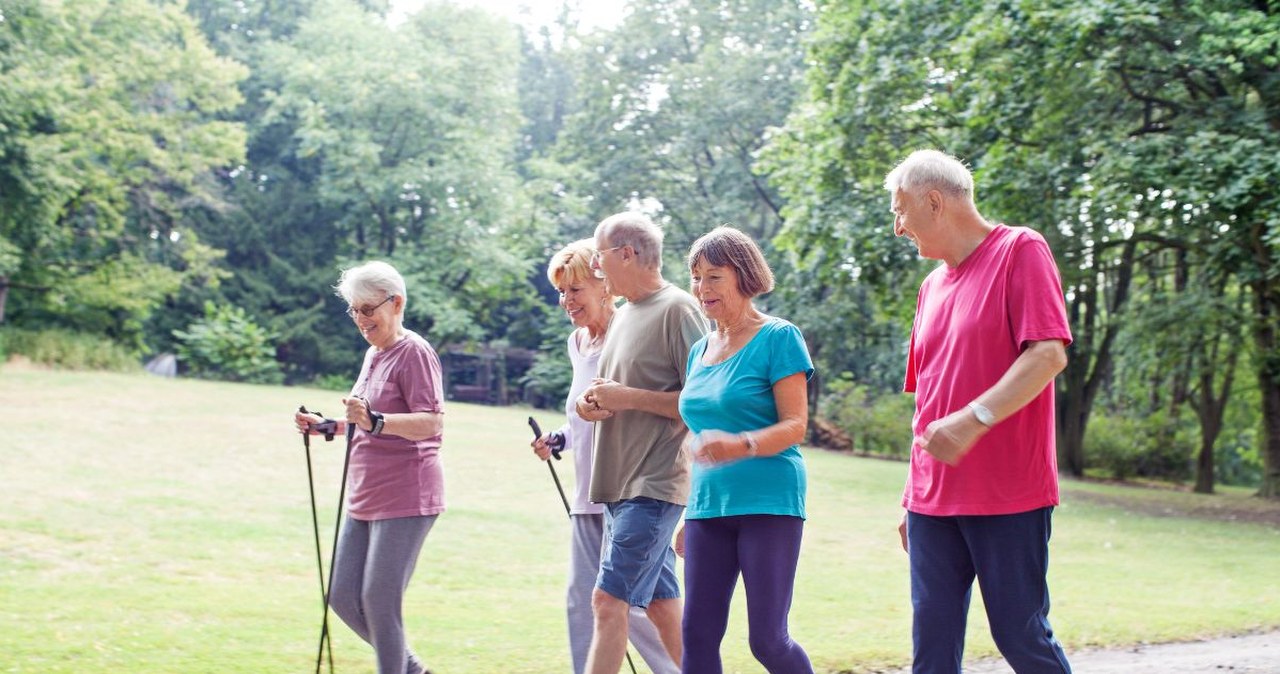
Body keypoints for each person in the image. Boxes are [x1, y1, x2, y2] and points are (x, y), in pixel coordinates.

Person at [886, 149, 1074, 673]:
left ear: (933, 201)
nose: (898, 228)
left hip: (1008, 496)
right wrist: (910, 496)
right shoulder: (931, 289)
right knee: (932, 651)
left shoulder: (1020, 250)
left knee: (1021, 638)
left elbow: (1048, 354)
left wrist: (975, 419)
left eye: (900, 212)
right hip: (932, 503)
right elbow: (929, 402)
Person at [531, 239, 680, 674]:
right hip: (588, 494)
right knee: (589, 602)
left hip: (635, 489)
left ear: (604, 284)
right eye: (560, 291)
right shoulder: (578, 343)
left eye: (574, 289)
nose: (566, 301)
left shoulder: (630, 332)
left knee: (629, 605)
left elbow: (646, 410)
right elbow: (585, 419)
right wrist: (558, 439)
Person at [676, 226, 816, 674]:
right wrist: (689, 515)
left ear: (744, 276)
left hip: (768, 502)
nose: (702, 289)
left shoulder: (779, 337)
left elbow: (796, 426)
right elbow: (700, 438)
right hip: (707, 508)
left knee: (768, 641)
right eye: (696, 278)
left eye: (713, 276)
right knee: (696, 636)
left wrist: (741, 444)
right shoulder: (700, 349)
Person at [293, 260, 445, 674]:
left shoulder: (414, 352)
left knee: (380, 602)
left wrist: (377, 422)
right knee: (342, 596)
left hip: (407, 494)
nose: (360, 319)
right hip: (366, 493)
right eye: (354, 310)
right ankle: (413, 671)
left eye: (368, 309)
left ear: (397, 303)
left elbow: (431, 421)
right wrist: (328, 425)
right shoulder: (373, 353)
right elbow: (364, 418)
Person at [575, 212, 709, 674]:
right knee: (661, 606)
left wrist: (626, 397)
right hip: (618, 484)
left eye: (600, 255)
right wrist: (593, 406)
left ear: (627, 254)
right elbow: (617, 391)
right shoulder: (625, 315)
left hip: (653, 484)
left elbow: (704, 400)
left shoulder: (679, 309)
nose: (596, 266)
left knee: (607, 603)